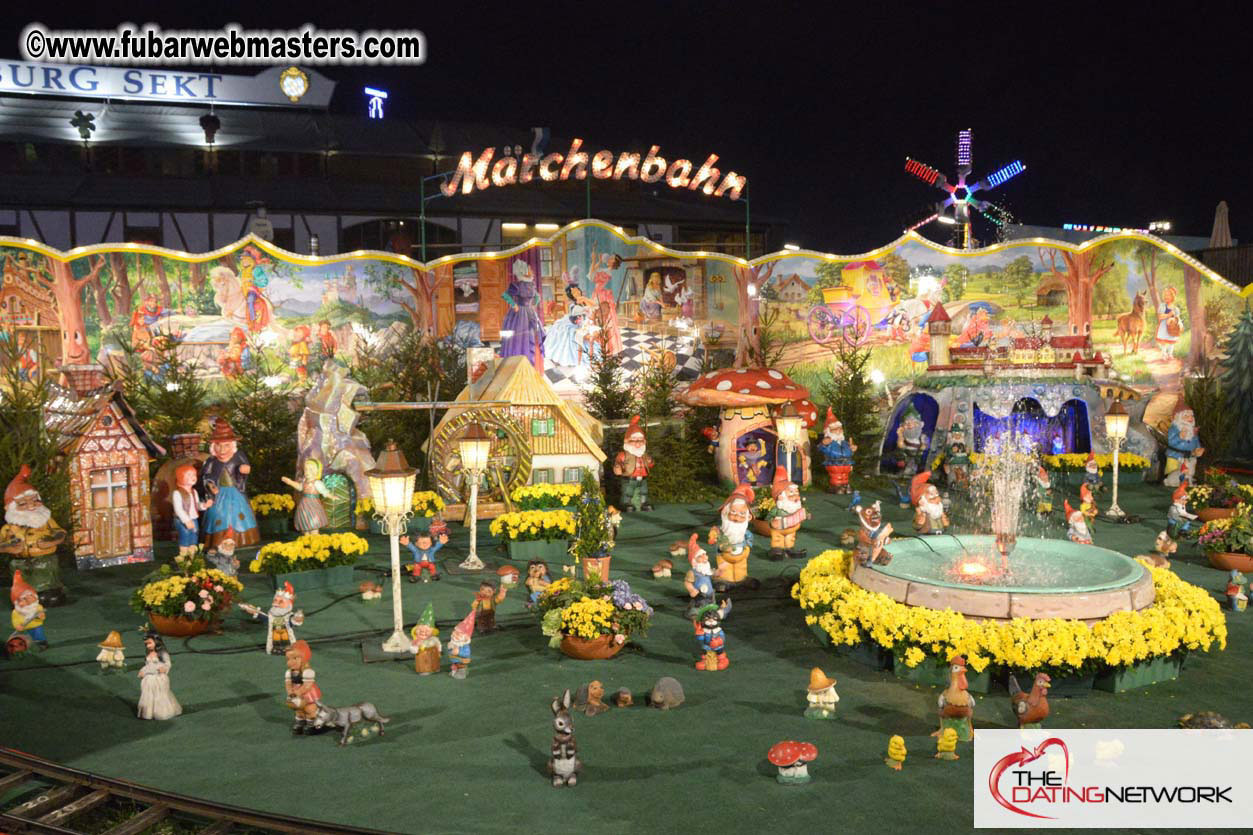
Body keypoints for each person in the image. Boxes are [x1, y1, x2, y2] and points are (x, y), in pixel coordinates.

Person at [0, 466, 67, 605]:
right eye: (23, 503)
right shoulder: (8, 529)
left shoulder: (46, 520)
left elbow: (60, 533)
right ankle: (25, 596)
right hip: (20, 564)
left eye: (35, 500)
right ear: (10, 508)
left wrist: (53, 540)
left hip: (45, 560)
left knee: (50, 586)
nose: (31, 505)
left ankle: (51, 591)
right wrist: (7, 547)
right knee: (23, 587)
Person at [199, 420, 259, 548]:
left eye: (226, 446)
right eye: (219, 446)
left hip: (235, 492)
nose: (222, 450)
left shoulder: (238, 456)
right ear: (213, 447)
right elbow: (206, 476)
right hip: (219, 494)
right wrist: (210, 485)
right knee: (217, 514)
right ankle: (217, 539)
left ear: (232, 446)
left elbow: (246, 467)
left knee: (240, 513)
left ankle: (242, 538)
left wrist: (245, 469)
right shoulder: (211, 461)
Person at [708, 484, 755, 588]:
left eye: (742, 514)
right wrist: (713, 535)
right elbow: (715, 535)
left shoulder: (744, 532)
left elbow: (749, 538)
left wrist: (747, 547)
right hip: (724, 554)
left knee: (741, 568)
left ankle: (741, 579)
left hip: (741, 552)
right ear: (725, 512)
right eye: (733, 512)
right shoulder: (723, 530)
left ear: (749, 517)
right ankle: (724, 581)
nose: (737, 517)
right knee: (725, 569)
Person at [500, 259, 545, 369]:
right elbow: (505, 295)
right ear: (523, 271)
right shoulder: (517, 285)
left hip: (529, 312)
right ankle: (518, 363)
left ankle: (534, 365)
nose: (531, 271)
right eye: (529, 269)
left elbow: (537, 297)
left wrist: (533, 303)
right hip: (519, 314)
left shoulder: (531, 284)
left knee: (534, 335)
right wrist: (513, 304)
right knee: (518, 338)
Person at [240, 584, 305, 655]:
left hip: (286, 636)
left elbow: (293, 621)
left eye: (280, 602)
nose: (276, 604)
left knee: (286, 642)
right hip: (275, 636)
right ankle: (275, 650)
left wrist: (298, 618)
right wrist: (252, 610)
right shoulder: (271, 617)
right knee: (276, 641)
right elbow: (264, 617)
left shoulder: (288, 616)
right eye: (275, 600)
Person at [764, 467, 808, 560]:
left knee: (790, 538)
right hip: (779, 529)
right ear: (781, 497)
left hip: (792, 529)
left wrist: (805, 515)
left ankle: (789, 549)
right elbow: (769, 516)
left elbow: (802, 513)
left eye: (796, 492)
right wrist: (771, 521)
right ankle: (777, 550)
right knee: (777, 539)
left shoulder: (796, 507)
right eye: (791, 493)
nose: (795, 496)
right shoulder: (778, 509)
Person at [137, 631, 182, 721]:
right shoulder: (148, 654)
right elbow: (147, 665)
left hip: (158, 677)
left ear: (156, 641)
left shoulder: (162, 654)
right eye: (146, 644)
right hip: (149, 678)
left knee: (159, 694)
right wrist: (142, 671)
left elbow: (168, 663)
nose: (148, 646)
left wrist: (164, 668)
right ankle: (148, 712)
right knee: (149, 694)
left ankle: (161, 711)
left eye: (149, 643)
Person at [612, 416, 654, 512]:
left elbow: (650, 465)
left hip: (643, 477)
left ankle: (644, 503)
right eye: (634, 440)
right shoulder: (624, 455)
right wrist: (618, 467)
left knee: (644, 491)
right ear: (627, 441)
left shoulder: (644, 454)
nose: (638, 444)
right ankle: (626, 503)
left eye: (640, 440)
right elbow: (618, 462)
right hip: (629, 478)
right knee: (628, 491)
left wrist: (650, 461)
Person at [172, 464, 212, 558]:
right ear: (181, 477)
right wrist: (186, 520)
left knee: (194, 538)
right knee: (185, 537)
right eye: (189, 475)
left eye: (194, 475)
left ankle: (192, 558)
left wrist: (204, 505)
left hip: (194, 518)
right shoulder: (177, 493)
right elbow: (178, 510)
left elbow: (197, 505)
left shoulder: (194, 492)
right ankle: (183, 558)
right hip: (182, 520)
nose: (193, 477)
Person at [282, 459, 331, 535]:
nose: (307, 472)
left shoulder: (317, 483)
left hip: (314, 506)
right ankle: (306, 541)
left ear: (316, 471)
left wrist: (331, 496)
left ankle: (315, 542)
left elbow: (324, 491)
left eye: (310, 470)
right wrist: (290, 482)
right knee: (305, 525)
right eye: (306, 469)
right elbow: (300, 487)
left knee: (314, 524)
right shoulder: (304, 482)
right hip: (304, 506)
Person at [1164, 400, 1205, 488]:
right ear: (1178, 418)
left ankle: (1187, 481)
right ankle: (1174, 482)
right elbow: (1171, 442)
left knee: (1190, 470)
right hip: (1176, 456)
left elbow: (1196, 441)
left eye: (1191, 416)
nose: (1190, 418)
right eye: (1186, 416)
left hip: (1190, 456)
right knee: (1177, 471)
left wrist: (1198, 449)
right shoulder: (1174, 428)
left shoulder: (1192, 429)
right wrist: (1179, 437)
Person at [284, 639, 321, 734]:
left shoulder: (308, 672)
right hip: (295, 693)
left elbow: (307, 686)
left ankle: (312, 724)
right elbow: (288, 684)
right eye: (288, 659)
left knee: (310, 709)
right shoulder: (289, 672)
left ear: (304, 658)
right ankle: (300, 723)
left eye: (294, 658)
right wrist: (290, 694)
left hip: (307, 694)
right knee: (299, 710)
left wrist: (297, 693)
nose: (290, 662)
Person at [817, 409, 856, 494]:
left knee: (845, 475)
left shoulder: (844, 442)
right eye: (835, 429)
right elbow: (821, 448)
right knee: (836, 475)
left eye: (840, 428)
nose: (838, 430)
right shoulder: (829, 442)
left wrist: (852, 449)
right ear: (828, 431)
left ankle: (845, 485)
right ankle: (836, 486)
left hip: (846, 463)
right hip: (834, 463)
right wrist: (823, 444)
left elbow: (849, 451)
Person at [591, 258, 624, 355]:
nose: (609, 257)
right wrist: (598, 261)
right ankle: (599, 347)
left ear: (613, 263)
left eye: (612, 258)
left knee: (603, 320)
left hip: (601, 296)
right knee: (597, 319)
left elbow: (592, 277)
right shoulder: (605, 271)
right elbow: (592, 274)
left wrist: (595, 260)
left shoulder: (608, 272)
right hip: (598, 294)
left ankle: (606, 348)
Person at [9, 571, 47, 650]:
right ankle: (32, 644)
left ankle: (42, 643)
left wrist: (41, 616)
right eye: (24, 599)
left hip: (36, 625)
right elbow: (15, 620)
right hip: (26, 626)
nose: (28, 600)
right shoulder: (16, 612)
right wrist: (17, 625)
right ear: (17, 602)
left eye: (30, 596)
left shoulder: (37, 607)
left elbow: (41, 614)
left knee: (39, 635)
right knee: (30, 636)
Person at [1155, 285, 1182, 360]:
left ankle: (1170, 354)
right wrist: (1168, 315)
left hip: (1172, 327)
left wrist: (1174, 320)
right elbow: (1160, 316)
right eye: (1165, 295)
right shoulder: (1162, 306)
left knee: (1171, 341)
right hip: (1163, 326)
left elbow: (1177, 318)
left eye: (1168, 295)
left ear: (1173, 297)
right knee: (1163, 341)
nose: (1166, 297)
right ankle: (1164, 354)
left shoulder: (1175, 308)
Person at [446, 610, 475, 679]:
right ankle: (454, 671)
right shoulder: (453, 643)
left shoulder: (464, 645)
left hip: (461, 662)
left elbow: (466, 654)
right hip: (454, 661)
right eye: (455, 632)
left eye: (458, 634)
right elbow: (451, 650)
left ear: (465, 638)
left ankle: (462, 673)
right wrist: (450, 647)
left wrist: (458, 652)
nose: (455, 635)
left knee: (461, 667)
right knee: (455, 666)